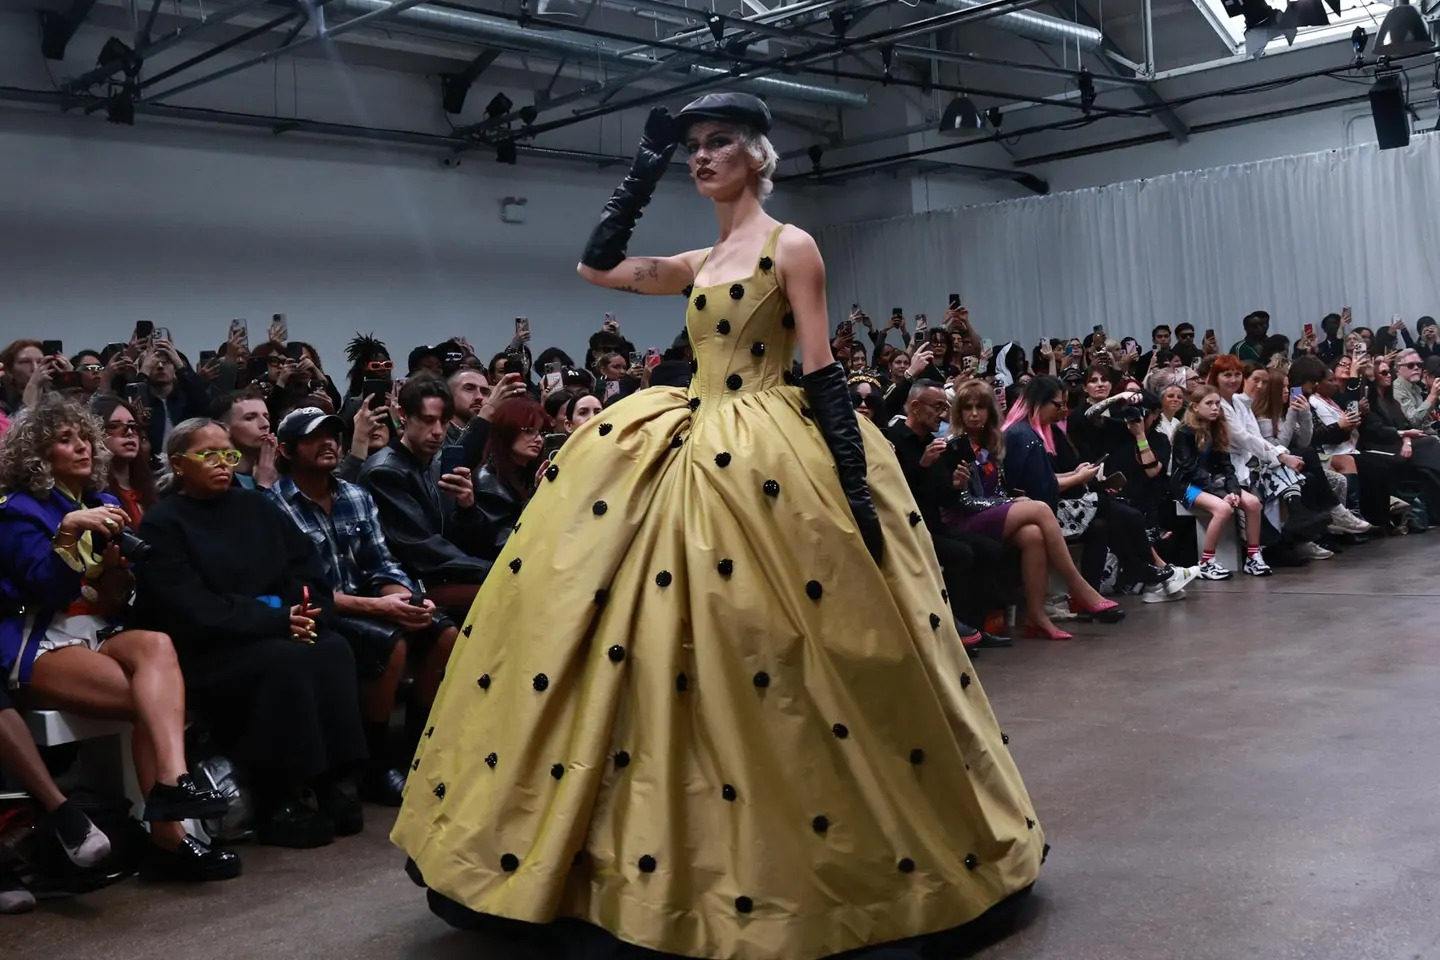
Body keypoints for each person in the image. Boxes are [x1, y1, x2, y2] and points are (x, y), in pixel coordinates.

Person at [394, 93, 1043, 958]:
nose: (702, 158)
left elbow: (821, 371)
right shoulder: (703, 257)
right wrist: (647, 159)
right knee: (644, 627)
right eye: (693, 147)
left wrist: (853, 489)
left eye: (716, 144)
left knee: (776, 640)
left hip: (771, 449)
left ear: (757, 157)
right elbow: (597, 267)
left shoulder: (792, 247)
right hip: (686, 436)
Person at [0, 395, 238, 881]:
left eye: (85, 437)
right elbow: (43, 588)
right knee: (148, 699)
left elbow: (116, 599)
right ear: (38, 456)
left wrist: (115, 571)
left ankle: (173, 784)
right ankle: (169, 835)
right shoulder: (17, 511)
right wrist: (67, 534)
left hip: (98, 627)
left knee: (157, 645)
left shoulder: (105, 502)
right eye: (65, 440)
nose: (82, 448)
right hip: (40, 635)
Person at [135, 418, 368, 848]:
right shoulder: (164, 524)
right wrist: (276, 620)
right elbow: (191, 607)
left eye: (228, 455)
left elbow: (305, 568)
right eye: (208, 455)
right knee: (283, 663)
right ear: (178, 464)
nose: (223, 464)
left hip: (280, 627)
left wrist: (308, 611)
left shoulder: (258, 507)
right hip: (213, 647)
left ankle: (335, 779)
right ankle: (281, 793)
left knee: (333, 648)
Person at [267, 407, 458, 807]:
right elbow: (296, 589)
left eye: (333, 434)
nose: (329, 443)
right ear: (285, 450)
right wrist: (381, 608)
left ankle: (418, 748)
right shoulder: (273, 507)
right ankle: (375, 763)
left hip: (372, 599)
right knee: (391, 644)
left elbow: (382, 561)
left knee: (443, 633)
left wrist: (402, 597)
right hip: (320, 612)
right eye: (313, 438)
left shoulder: (356, 495)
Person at [942, 379, 1120, 638]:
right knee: (1038, 509)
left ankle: (1036, 615)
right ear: (958, 411)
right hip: (961, 521)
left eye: (980, 407)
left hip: (988, 515)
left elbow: (1000, 488)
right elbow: (964, 501)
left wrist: (1008, 499)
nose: (973, 413)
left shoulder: (993, 442)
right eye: (967, 407)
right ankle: (1078, 586)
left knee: (1033, 535)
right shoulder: (954, 445)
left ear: (990, 411)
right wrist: (1010, 502)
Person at [359, 375, 492, 609]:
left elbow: (459, 541)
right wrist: (492, 570)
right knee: (501, 594)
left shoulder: (436, 463)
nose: (438, 431)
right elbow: (421, 550)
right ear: (402, 415)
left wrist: (467, 508)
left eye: (444, 421)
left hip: (441, 575)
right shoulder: (384, 472)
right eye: (428, 420)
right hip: (409, 585)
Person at [1171, 384, 1269, 579]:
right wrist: (1221, 492)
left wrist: (1232, 489)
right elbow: (1188, 469)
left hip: (1215, 483)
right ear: (1195, 407)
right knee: (1223, 508)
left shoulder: (1217, 428)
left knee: (1253, 503)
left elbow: (1227, 465)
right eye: (1209, 403)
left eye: (1217, 403)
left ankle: (1253, 556)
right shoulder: (1184, 432)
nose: (1215, 407)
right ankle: (1206, 563)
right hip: (1186, 485)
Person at [470, 398, 546, 562]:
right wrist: (539, 497)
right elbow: (507, 544)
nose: (538, 439)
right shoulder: (488, 483)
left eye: (541, 432)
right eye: (529, 430)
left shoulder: (526, 472)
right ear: (507, 431)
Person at [91, 395, 156, 526]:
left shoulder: (152, 488)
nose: (129, 432)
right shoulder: (93, 496)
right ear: (95, 433)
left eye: (133, 426)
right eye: (115, 426)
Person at [211, 389, 277, 490]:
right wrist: (264, 485)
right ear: (224, 428)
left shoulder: (276, 472)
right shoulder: (216, 479)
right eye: (250, 418)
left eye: (266, 416)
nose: (265, 424)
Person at [1391, 349, 1439, 430]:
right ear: (1398, 369)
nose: (1416, 368)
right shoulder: (1397, 388)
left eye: (1419, 365)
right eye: (1410, 365)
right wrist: (1432, 396)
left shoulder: (1415, 387)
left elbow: (1425, 421)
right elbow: (1413, 421)